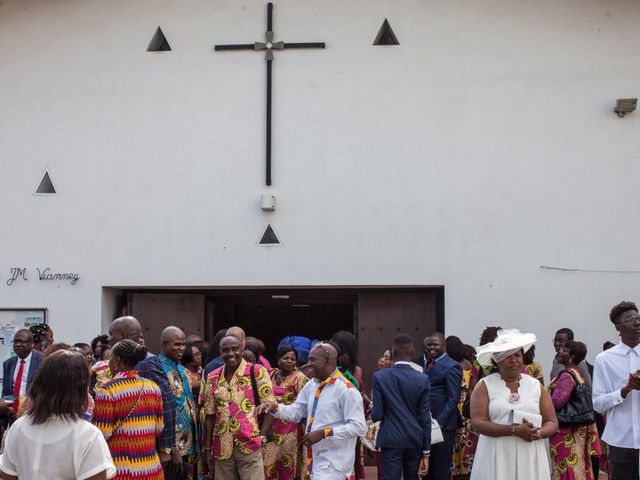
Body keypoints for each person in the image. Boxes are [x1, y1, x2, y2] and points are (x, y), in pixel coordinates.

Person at [258, 341, 367, 480]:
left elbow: (358, 427)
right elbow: (296, 412)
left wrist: (324, 433)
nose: (308, 364)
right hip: (315, 460)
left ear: (328, 361)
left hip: (335, 464)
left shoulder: (346, 390)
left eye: (313, 360)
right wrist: (273, 408)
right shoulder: (312, 385)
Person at [0, 349, 116, 480]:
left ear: (40, 384)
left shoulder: (19, 427)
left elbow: (8, 474)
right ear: (82, 388)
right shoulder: (87, 435)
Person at [469, 329, 557, 480]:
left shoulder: (535, 385)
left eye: (517, 355)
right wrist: (514, 430)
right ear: (496, 360)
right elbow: (478, 423)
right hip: (497, 452)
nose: (514, 360)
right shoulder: (484, 385)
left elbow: (551, 421)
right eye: (507, 356)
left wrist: (538, 433)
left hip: (530, 451)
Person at [106, 316, 178, 470]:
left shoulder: (147, 361)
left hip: (145, 448)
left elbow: (168, 404)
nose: (108, 338)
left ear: (124, 336)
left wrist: (165, 448)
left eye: (111, 333)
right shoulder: (122, 361)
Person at [202, 334, 275, 479]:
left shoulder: (257, 371)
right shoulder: (213, 377)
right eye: (225, 350)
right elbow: (209, 414)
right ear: (220, 352)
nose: (230, 353)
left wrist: (262, 436)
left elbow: (270, 407)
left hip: (250, 442)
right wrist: (207, 447)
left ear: (242, 349)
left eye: (234, 349)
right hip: (222, 446)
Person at [93, 339, 164, 479]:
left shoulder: (107, 391)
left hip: (122, 470)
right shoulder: (153, 387)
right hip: (152, 469)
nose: (109, 362)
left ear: (117, 359)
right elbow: (158, 428)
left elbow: (102, 436)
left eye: (111, 358)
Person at [372, 334, 431, 480]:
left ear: (393, 352)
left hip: (390, 438)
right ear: (412, 351)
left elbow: (377, 414)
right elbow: (425, 418)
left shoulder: (380, 377)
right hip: (414, 437)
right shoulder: (422, 379)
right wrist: (426, 452)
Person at [592, 301, 640, 480]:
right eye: (630, 319)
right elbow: (598, 404)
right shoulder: (605, 360)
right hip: (621, 440)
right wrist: (625, 390)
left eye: (638, 317)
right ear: (618, 327)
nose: (637, 322)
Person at [548, 340, 601, 480]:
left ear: (571, 357)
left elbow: (556, 402)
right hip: (577, 427)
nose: (559, 351)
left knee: (566, 465)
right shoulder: (577, 372)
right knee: (578, 463)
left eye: (564, 350)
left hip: (566, 431)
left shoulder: (566, 376)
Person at [263, 345, 309, 480]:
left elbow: (304, 406)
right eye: (286, 358)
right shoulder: (269, 374)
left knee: (287, 466)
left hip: (290, 430)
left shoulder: (300, 379)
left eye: (293, 359)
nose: (289, 361)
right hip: (269, 427)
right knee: (268, 464)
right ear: (278, 360)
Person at [158, 326, 198, 480]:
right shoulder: (158, 368)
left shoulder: (181, 369)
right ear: (164, 344)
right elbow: (162, 410)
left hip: (187, 444)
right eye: (177, 344)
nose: (181, 348)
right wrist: (171, 450)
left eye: (183, 344)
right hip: (171, 447)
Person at [422, 332, 462, 480]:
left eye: (435, 345)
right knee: (428, 467)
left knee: (441, 468)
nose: (431, 348)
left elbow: (453, 398)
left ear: (444, 345)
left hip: (443, 425)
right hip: (427, 422)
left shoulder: (452, 366)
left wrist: (438, 422)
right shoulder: (426, 364)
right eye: (428, 345)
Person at [330, 330, 367, 479]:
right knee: (352, 460)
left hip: (335, 421)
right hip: (352, 422)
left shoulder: (330, 371)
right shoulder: (356, 371)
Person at [446, 335, 473, 479]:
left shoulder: (450, 366)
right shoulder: (468, 364)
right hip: (468, 409)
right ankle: (465, 469)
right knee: (466, 441)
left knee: (455, 443)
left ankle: (456, 470)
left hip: (456, 407)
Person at [1, 329, 43, 421]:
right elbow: (6, 392)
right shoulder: (8, 364)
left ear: (32, 344)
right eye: (15, 341)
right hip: (11, 414)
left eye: (22, 342)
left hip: (33, 414)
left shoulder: (43, 360)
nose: (17, 345)